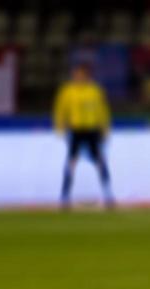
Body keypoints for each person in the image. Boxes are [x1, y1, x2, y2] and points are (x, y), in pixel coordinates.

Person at [54, 63, 115, 210]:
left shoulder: (95, 91)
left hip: (92, 130)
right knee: (71, 162)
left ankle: (108, 194)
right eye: (77, 74)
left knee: (100, 161)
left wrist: (105, 129)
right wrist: (60, 128)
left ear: (87, 76)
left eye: (82, 75)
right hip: (75, 130)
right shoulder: (67, 91)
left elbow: (103, 110)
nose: (79, 77)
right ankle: (65, 196)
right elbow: (60, 110)